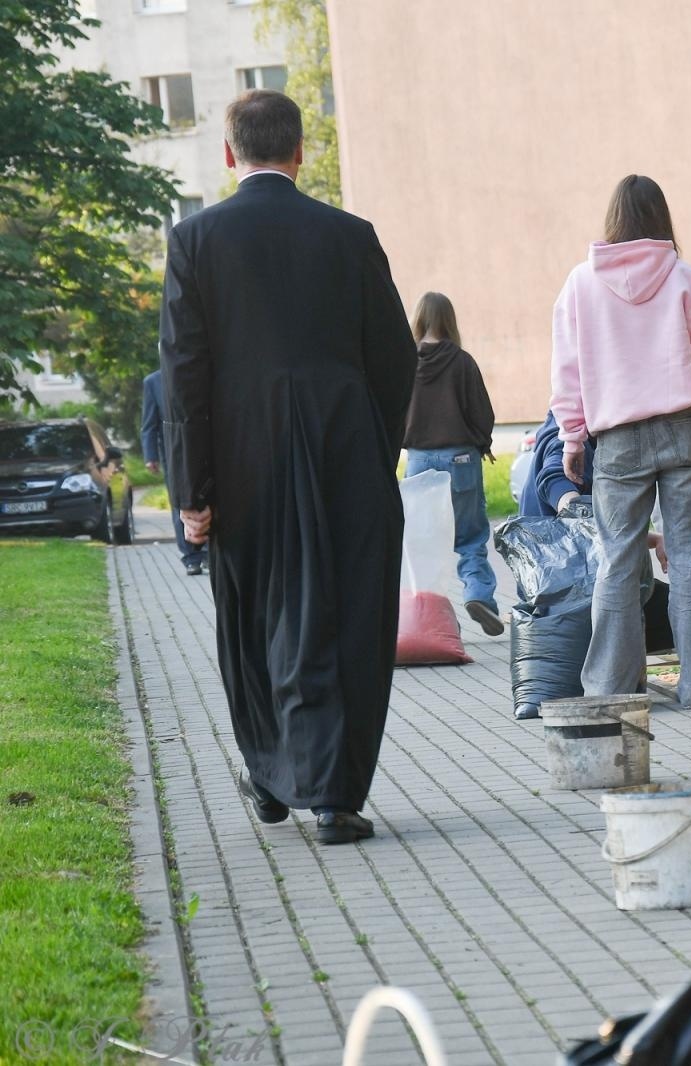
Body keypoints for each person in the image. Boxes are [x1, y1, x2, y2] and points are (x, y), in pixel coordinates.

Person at [159, 89, 417, 844]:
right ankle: (334, 796)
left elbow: (185, 378)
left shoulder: (195, 241)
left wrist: (192, 491)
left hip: (244, 461)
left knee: (257, 616)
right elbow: (395, 358)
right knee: (348, 615)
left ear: (229, 155)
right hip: (346, 452)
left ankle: (274, 774)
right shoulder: (351, 236)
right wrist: (377, 446)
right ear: (301, 152)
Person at [549, 174, 691, 709]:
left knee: (617, 560)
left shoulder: (580, 285)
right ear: (661, 218)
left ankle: (612, 688)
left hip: (618, 439)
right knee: (689, 558)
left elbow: (567, 371)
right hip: (686, 431)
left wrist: (571, 437)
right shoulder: (688, 280)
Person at [523, 410, 691, 612]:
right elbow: (555, 481)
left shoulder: (577, 426)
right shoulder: (568, 434)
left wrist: (654, 539)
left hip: (551, 578)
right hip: (562, 582)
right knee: (636, 602)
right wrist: (575, 508)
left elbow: (600, 530)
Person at [402, 292, 503, 637]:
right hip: (460, 459)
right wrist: (482, 442)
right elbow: (482, 411)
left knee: (424, 544)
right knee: (470, 536)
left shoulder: (404, 361)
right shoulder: (462, 362)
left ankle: (436, 618)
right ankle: (478, 595)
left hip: (418, 461)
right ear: (449, 319)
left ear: (417, 319)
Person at [140, 367, 208, 576]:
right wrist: (150, 456)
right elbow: (149, 424)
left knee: (207, 500)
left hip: (203, 450)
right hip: (172, 456)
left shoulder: (197, 374)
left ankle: (208, 552)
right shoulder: (153, 382)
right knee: (180, 504)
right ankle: (191, 557)